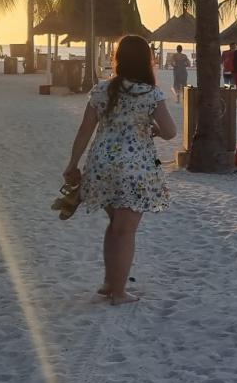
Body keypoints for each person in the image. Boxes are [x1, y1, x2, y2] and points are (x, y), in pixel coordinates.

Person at [63, 35, 176, 306]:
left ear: (119, 59)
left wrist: (72, 163)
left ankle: (109, 283)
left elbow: (84, 130)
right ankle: (119, 292)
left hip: (101, 165)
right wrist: (154, 130)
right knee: (125, 232)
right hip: (136, 169)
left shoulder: (102, 90)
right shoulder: (151, 93)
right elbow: (171, 132)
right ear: (146, 61)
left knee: (115, 227)